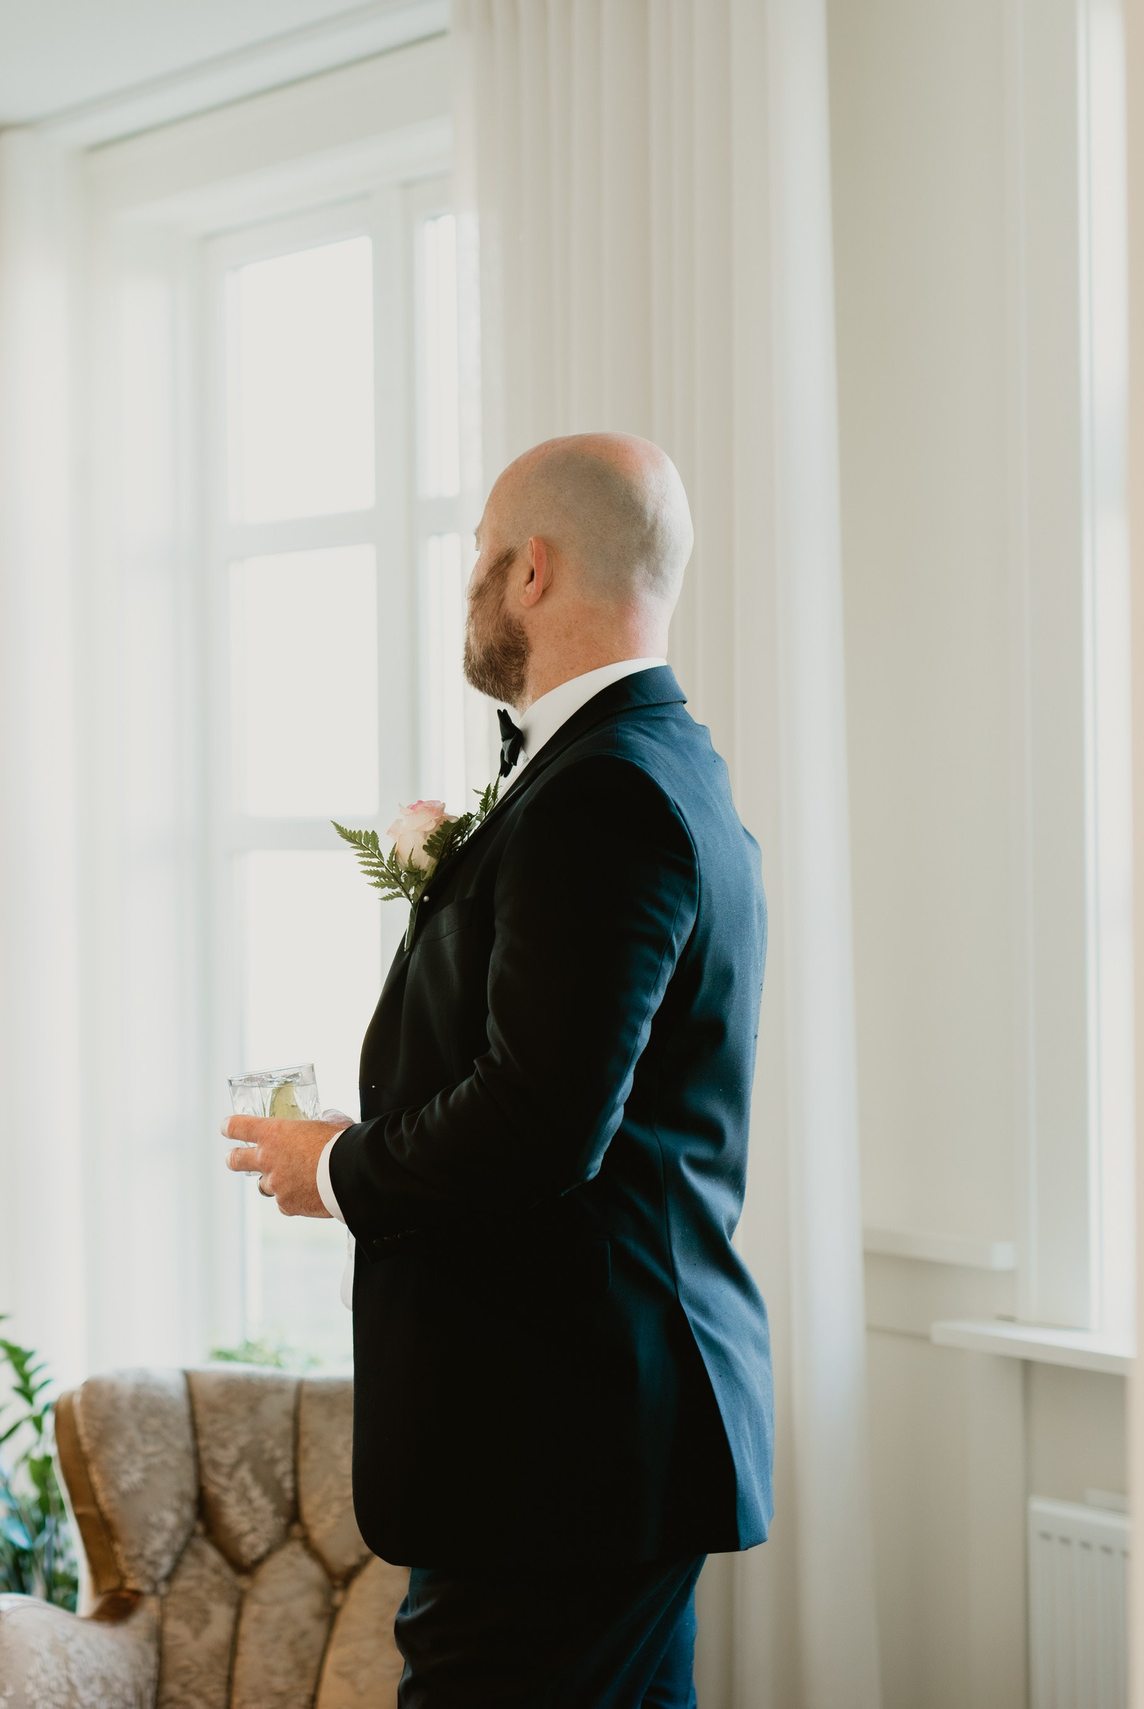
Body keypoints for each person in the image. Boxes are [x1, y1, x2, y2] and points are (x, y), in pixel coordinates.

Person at [224, 433, 771, 1707]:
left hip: (558, 1448)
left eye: (477, 553)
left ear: (530, 568)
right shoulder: (661, 767)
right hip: (602, 1431)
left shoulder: (605, 795)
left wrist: (343, 1164)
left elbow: (539, 1123)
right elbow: (565, 1088)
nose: (468, 582)